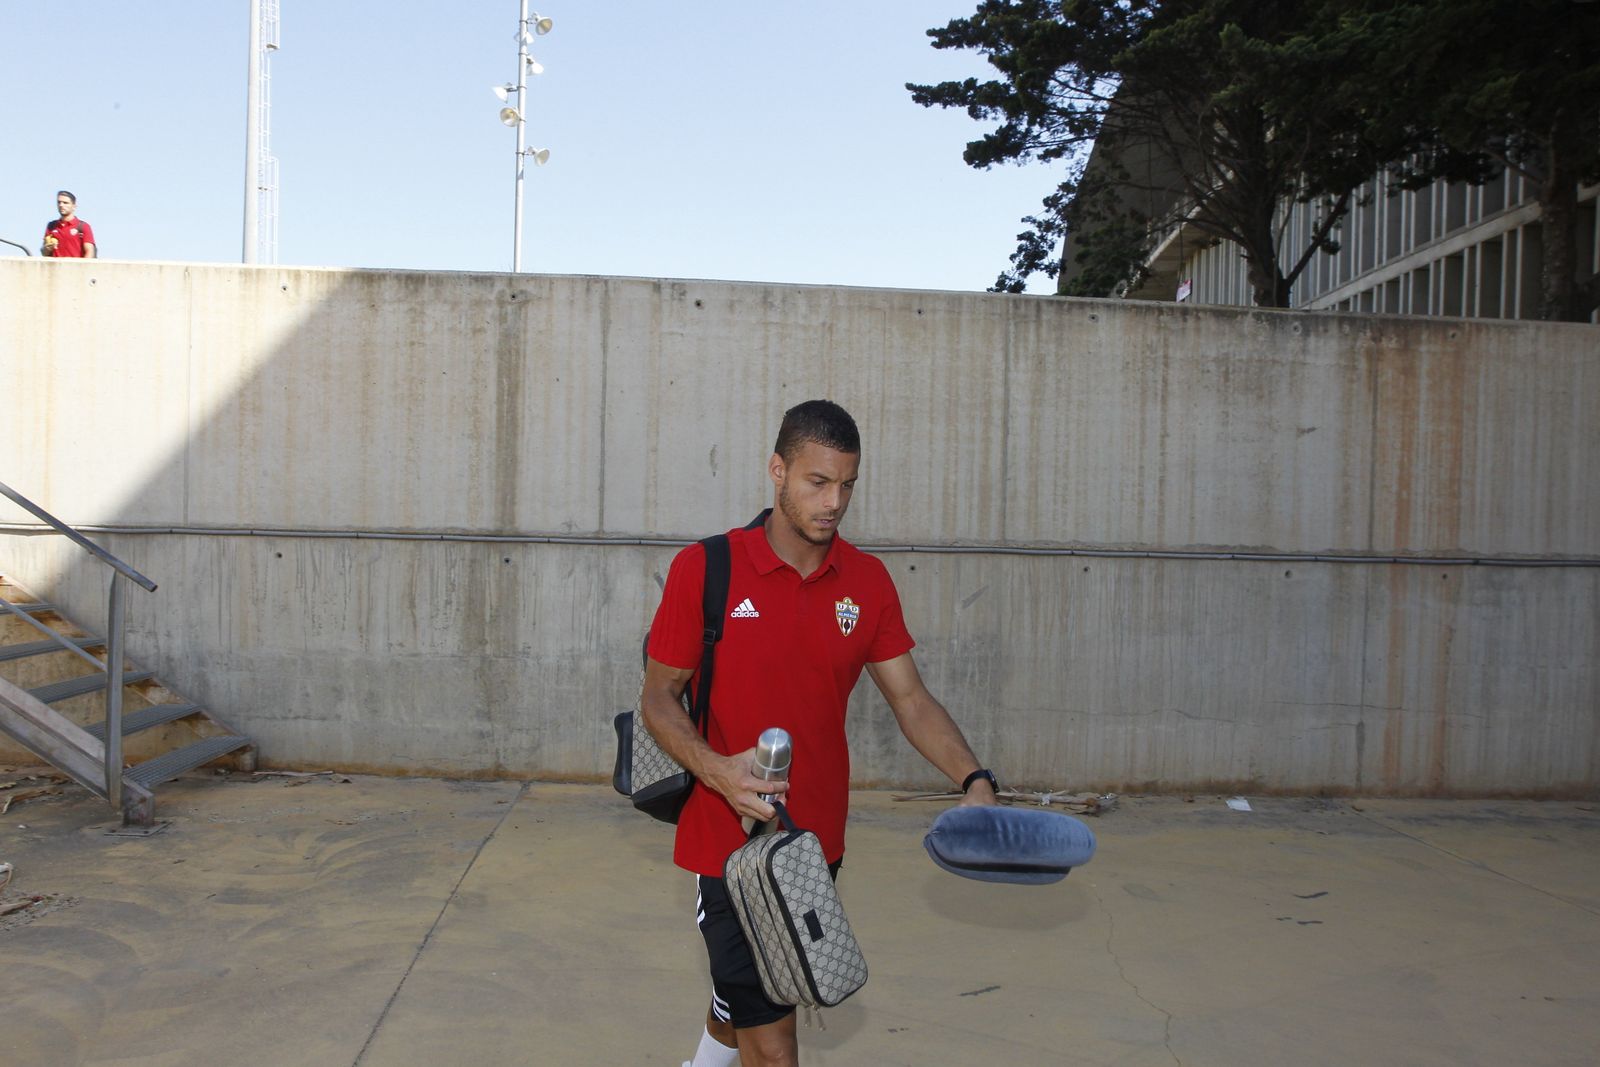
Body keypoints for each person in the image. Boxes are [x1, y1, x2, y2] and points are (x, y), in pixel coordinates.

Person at [641, 399, 1000, 1067]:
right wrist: (717, 770)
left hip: (815, 847)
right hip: (729, 846)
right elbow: (658, 697)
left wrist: (974, 779)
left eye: (847, 484)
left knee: (746, 1002)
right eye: (817, 481)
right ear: (777, 471)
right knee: (775, 1046)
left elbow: (912, 700)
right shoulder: (708, 568)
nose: (834, 501)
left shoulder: (866, 582)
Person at [42, 190, 96, 258]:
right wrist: (47, 249)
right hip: (55, 268)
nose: (61, 205)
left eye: (65, 203)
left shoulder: (83, 226)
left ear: (74, 206)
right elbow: (44, 252)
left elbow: (90, 251)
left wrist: (84, 267)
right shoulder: (51, 226)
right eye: (59, 202)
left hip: (74, 267)